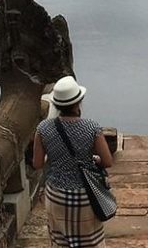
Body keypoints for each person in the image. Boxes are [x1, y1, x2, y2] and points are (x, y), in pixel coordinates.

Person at [33, 76, 114, 248]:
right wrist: (93, 159)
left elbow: (37, 163)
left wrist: (56, 158)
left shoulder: (43, 128)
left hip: (56, 195)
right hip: (85, 195)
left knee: (61, 241)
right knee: (91, 241)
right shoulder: (92, 128)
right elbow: (107, 161)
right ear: (79, 102)